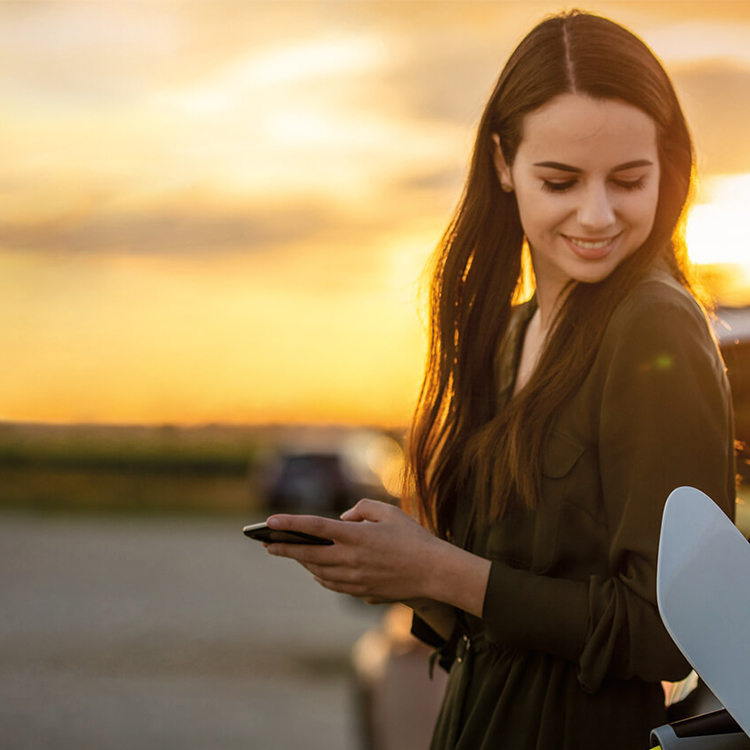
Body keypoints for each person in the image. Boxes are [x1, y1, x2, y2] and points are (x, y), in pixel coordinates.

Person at [263, 10, 736, 750]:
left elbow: (667, 635)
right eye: (561, 181)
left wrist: (445, 571)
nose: (598, 214)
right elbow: (508, 607)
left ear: (666, 172)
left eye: (629, 180)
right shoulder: (506, 334)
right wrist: (400, 573)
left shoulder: (653, 327)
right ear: (503, 164)